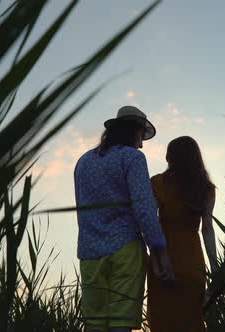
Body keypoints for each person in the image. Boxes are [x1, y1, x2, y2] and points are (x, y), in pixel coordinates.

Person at [74, 105, 174, 332]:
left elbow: (82, 207)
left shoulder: (83, 161)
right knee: (121, 324)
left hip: (89, 253)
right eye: (141, 137)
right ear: (135, 132)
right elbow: (144, 208)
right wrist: (159, 250)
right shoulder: (133, 158)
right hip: (125, 250)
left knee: (95, 325)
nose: (141, 144)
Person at [147, 136, 217, 332]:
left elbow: (150, 222)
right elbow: (207, 229)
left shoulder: (157, 182)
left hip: (162, 259)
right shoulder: (206, 188)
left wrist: (156, 260)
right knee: (191, 321)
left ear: (170, 156)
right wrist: (214, 266)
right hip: (192, 261)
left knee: (163, 322)